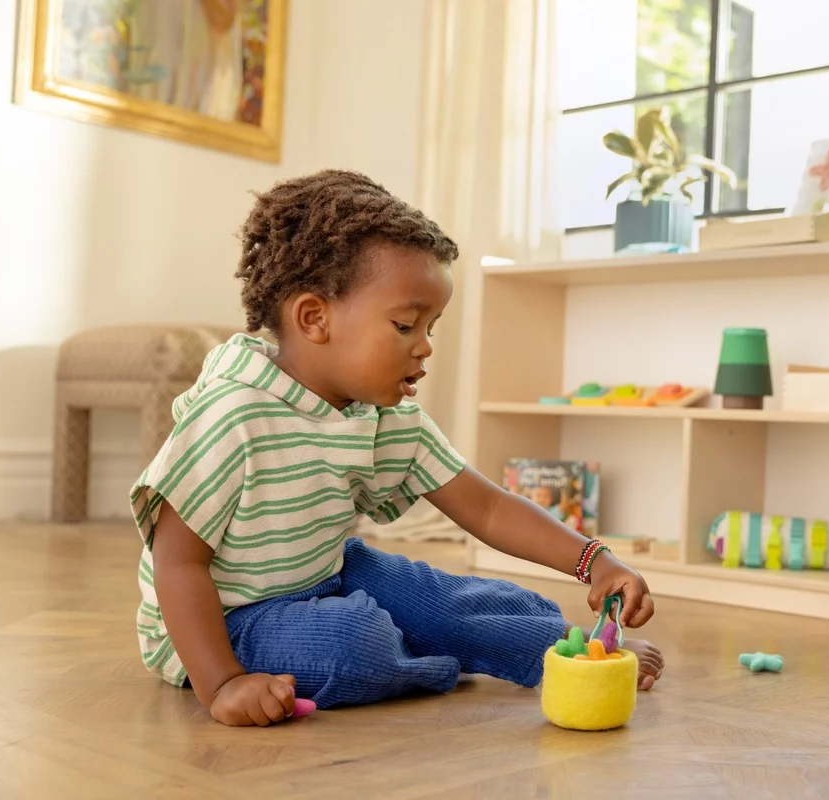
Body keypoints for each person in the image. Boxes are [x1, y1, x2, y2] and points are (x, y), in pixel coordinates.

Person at [130, 169, 663, 727]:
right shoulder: (230, 415)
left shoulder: (385, 414)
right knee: (352, 642)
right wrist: (222, 683)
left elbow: (486, 507)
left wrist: (593, 561)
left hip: (326, 572)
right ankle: (437, 657)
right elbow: (178, 564)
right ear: (315, 318)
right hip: (226, 621)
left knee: (445, 602)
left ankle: (563, 647)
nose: (426, 345)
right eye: (406, 325)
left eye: (431, 325)